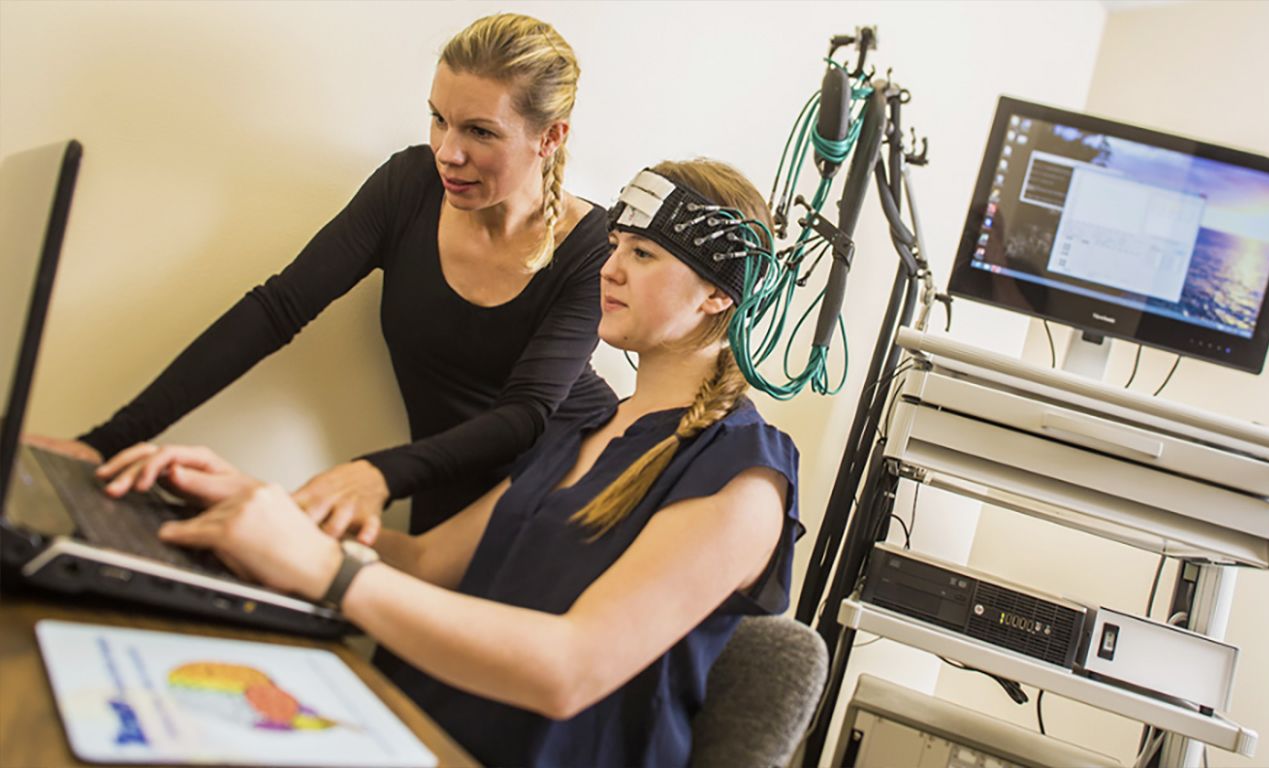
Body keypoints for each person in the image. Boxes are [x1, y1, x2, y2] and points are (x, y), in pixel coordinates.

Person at [104, 159, 803, 767]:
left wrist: (325, 569)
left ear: (719, 294)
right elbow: (424, 561)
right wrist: (265, 502)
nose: (610, 266)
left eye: (644, 255)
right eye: (615, 243)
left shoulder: (743, 480)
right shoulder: (588, 422)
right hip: (416, 730)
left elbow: (568, 670)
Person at [31, 12, 616, 539]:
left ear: (550, 136)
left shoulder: (594, 245)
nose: (447, 151)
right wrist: (102, 443)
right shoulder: (408, 188)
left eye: (480, 132)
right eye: (439, 119)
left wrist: (372, 474)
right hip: (442, 494)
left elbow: (527, 413)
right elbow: (277, 309)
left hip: (572, 488)